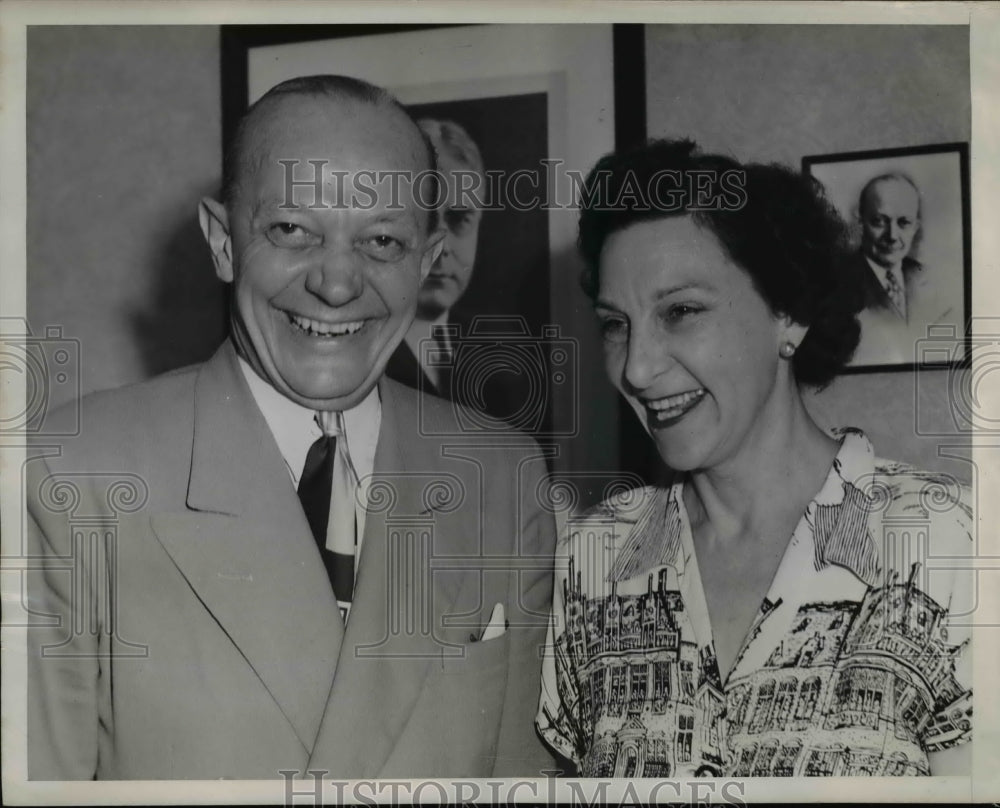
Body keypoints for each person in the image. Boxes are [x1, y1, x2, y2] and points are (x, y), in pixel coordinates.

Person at [26, 75, 555, 780]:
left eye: (383, 242)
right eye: (291, 230)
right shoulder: (73, 474)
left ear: (426, 264)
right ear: (222, 242)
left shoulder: (500, 475)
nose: (337, 284)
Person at [535, 140, 973, 778]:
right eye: (615, 324)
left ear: (787, 314)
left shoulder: (945, 540)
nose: (636, 367)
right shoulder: (594, 557)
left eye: (680, 312)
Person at [850, 173, 955, 366]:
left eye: (904, 222)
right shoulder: (839, 283)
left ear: (916, 227)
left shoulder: (928, 279)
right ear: (861, 223)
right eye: (879, 221)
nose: (892, 235)